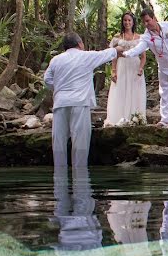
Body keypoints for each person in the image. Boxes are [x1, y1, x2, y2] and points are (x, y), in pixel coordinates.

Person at [44, 33, 124, 167]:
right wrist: (120, 49)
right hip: (80, 103)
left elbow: (47, 80)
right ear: (80, 44)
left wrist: (59, 88)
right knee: (80, 141)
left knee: (59, 141)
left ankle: (59, 173)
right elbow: (106, 54)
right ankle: (80, 173)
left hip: (60, 103)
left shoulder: (55, 60)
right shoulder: (86, 56)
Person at [122, 9, 168, 127]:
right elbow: (139, 49)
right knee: (165, 94)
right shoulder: (146, 37)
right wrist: (124, 54)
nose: (146, 24)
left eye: (148, 21)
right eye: (144, 22)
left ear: (154, 18)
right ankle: (165, 120)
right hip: (164, 68)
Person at [105, 12, 147, 127]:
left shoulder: (140, 38)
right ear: (122, 22)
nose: (127, 22)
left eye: (129, 20)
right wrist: (113, 71)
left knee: (135, 91)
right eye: (125, 20)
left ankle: (135, 118)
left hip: (134, 66)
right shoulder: (117, 38)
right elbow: (113, 56)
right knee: (120, 90)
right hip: (121, 66)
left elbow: (143, 57)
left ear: (133, 22)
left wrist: (141, 68)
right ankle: (118, 118)